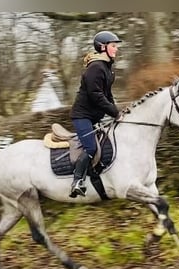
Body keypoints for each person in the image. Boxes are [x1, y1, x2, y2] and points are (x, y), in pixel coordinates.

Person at [69, 30, 122, 198]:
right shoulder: (96, 68)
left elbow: (107, 95)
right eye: (113, 46)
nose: (116, 49)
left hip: (94, 116)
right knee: (91, 147)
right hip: (82, 116)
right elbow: (95, 95)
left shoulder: (108, 69)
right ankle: (77, 181)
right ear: (103, 47)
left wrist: (117, 112)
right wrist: (113, 111)